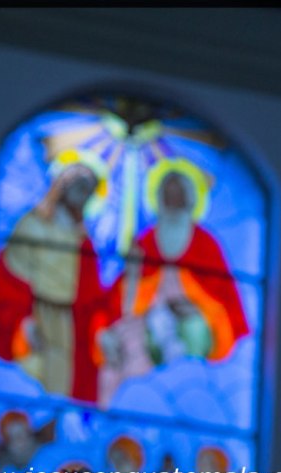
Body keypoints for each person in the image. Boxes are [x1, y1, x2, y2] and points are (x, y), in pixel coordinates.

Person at [97, 158, 249, 406]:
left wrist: (195, 310)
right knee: (118, 359)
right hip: (146, 326)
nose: (174, 199)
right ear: (159, 199)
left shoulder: (206, 244)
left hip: (193, 331)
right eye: (168, 194)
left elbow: (225, 302)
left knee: (189, 343)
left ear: (191, 200)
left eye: (179, 194)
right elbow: (120, 301)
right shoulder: (145, 242)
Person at [0, 150, 120, 403]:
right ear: (60, 187)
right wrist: (23, 320)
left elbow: (91, 298)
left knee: (64, 388)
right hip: (35, 314)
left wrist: (101, 329)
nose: (81, 194)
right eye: (77, 186)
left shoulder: (83, 242)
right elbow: (9, 277)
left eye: (88, 190)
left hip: (69, 325)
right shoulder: (31, 225)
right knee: (29, 385)